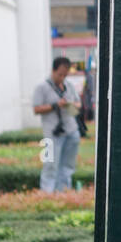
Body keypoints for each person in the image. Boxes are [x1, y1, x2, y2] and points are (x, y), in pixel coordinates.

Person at [33, 56, 81, 193]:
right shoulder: (41, 87)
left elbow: (78, 105)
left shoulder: (69, 86)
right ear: (53, 71)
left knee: (68, 165)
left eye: (65, 75)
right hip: (50, 134)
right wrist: (55, 105)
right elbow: (36, 109)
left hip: (71, 131)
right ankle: (47, 194)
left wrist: (68, 105)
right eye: (60, 74)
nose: (62, 78)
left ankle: (63, 192)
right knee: (49, 165)